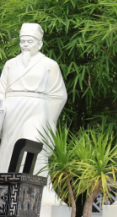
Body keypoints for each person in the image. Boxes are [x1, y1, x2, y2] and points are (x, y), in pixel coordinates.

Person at [0, 23, 67, 206]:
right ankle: (6, 193)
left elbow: (59, 95)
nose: (25, 45)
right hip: (12, 113)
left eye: (30, 41)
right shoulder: (10, 64)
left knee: (34, 146)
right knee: (9, 149)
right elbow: (1, 90)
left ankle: (35, 193)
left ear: (39, 43)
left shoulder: (49, 65)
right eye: (23, 41)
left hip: (37, 112)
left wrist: (47, 117)